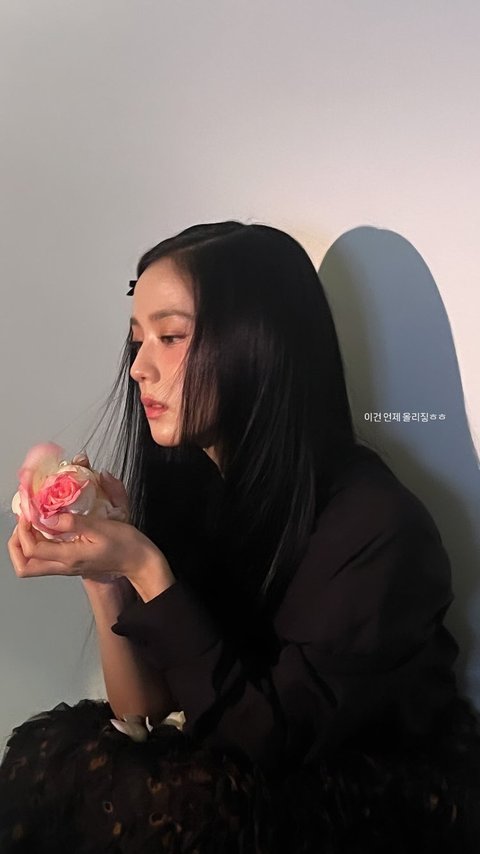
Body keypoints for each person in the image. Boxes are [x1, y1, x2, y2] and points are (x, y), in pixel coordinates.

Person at [2, 220, 480, 853]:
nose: (139, 367)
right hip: (250, 762)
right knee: (56, 769)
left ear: (258, 344)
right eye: (137, 340)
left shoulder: (376, 525)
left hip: (366, 799)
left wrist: (148, 567)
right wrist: (106, 576)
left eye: (171, 337)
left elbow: (264, 743)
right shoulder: (200, 488)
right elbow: (144, 711)